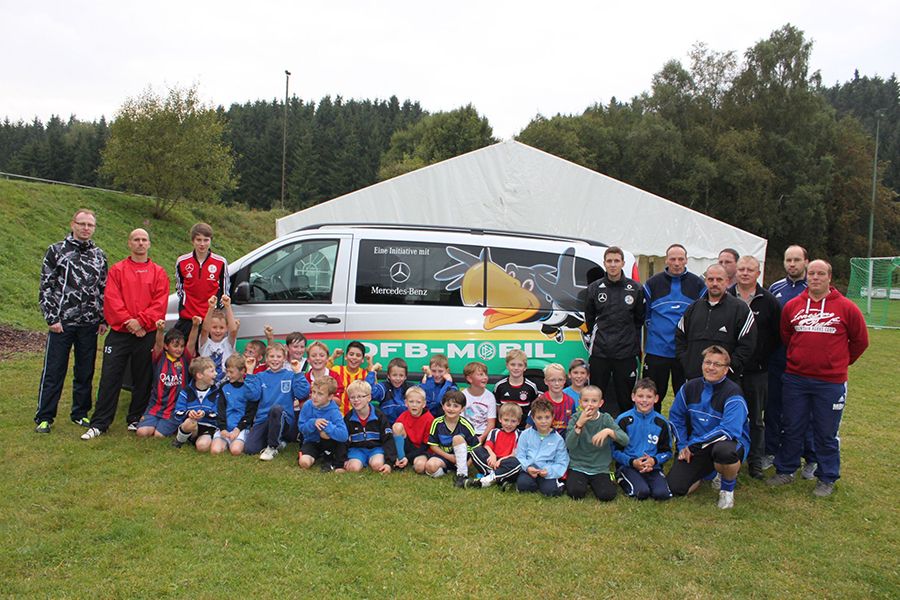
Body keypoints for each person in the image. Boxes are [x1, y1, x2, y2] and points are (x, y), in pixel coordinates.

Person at [766, 260, 869, 498]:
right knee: (792, 426)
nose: (815, 278)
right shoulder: (793, 306)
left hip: (830, 382)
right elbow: (787, 335)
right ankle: (786, 469)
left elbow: (860, 341)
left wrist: (838, 362)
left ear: (829, 277)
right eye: (812, 273)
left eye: (821, 274)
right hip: (796, 379)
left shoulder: (846, 307)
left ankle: (826, 477)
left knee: (825, 431)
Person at [81, 229, 169, 440]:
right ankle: (100, 423)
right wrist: (131, 323)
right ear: (129, 244)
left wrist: (141, 321)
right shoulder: (117, 270)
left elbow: (160, 303)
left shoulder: (158, 272)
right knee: (110, 377)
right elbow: (112, 299)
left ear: (149, 244)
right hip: (121, 333)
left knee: (143, 376)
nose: (140, 243)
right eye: (136, 240)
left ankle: (136, 417)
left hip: (145, 334)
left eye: (144, 240)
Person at [35, 209, 108, 434]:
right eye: (82, 224)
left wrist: (103, 318)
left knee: (85, 371)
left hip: (89, 323)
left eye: (90, 225)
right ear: (73, 224)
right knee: (54, 370)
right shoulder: (56, 251)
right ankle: (45, 417)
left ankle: (80, 413)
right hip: (62, 323)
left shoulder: (99, 255)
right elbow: (46, 286)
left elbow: (103, 288)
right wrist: (52, 318)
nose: (86, 228)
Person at [668, 346, 750, 510]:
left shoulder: (733, 393)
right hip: (698, 445)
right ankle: (709, 471)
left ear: (726, 370)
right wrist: (683, 445)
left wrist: (693, 445)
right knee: (675, 487)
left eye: (717, 364)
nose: (711, 367)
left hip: (728, 443)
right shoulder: (690, 387)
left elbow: (728, 431)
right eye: (708, 362)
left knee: (724, 452)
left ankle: (727, 489)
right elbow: (676, 418)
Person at [727, 255, 782, 479]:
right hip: (729, 371)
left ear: (758, 273)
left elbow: (778, 336)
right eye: (741, 269)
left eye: (750, 270)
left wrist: (761, 358)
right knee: (727, 415)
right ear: (736, 271)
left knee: (756, 419)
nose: (745, 273)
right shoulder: (726, 296)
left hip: (756, 371)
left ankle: (755, 462)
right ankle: (728, 458)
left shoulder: (768, 301)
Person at [765, 245, 814, 475]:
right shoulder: (775, 288)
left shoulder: (813, 288)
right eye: (788, 260)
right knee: (773, 407)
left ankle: (811, 457)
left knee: (804, 411)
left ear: (806, 262)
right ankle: (770, 450)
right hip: (777, 359)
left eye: (797, 260)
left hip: (804, 363)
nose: (792, 264)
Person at [642, 244, 706, 408]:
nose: (677, 263)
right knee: (651, 395)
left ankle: (684, 424)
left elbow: (702, 315)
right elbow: (645, 315)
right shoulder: (653, 283)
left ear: (686, 260)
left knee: (686, 396)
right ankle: (652, 423)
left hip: (685, 352)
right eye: (673, 259)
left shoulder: (698, 284)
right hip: (657, 351)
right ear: (666, 260)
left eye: (680, 259)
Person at [585, 246, 645, 416]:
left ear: (623, 263)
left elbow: (639, 319)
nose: (613, 265)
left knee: (625, 398)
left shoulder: (635, 288)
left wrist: (626, 337)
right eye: (609, 261)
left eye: (616, 261)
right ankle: (593, 428)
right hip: (600, 351)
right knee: (594, 396)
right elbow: (589, 318)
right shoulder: (595, 288)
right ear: (604, 263)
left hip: (626, 353)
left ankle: (625, 430)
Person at [675, 263, 757, 382]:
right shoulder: (693, 308)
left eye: (719, 280)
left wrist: (729, 368)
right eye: (711, 279)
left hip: (726, 381)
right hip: (694, 379)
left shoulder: (740, 309)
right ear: (705, 282)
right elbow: (680, 337)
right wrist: (687, 363)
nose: (715, 283)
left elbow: (747, 344)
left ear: (727, 281)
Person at [240, 344, 310, 460]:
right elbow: (252, 396)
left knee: (276, 409)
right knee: (250, 449)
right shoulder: (260, 376)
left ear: (284, 359)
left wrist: (298, 372)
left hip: (284, 419)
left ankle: (272, 447)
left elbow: (303, 393)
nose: (275, 360)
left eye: (278, 356)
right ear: (266, 359)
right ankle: (278, 442)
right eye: (271, 356)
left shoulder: (290, 375)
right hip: (264, 419)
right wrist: (250, 371)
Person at [136, 318, 200, 439]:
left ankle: (176, 424)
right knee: (142, 432)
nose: (179, 349)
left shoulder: (185, 358)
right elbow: (158, 343)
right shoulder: (159, 357)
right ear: (166, 346)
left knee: (159, 435)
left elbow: (192, 341)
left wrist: (195, 326)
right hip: (156, 405)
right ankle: (154, 421)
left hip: (174, 408)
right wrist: (160, 330)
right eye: (175, 346)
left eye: (181, 346)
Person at [612, 378, 674, 501]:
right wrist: (632, 462)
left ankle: (651, 477)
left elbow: (667, 451)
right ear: (633, 397)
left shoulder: (661, 422)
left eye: (649, 397)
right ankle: (621, 478)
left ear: (656, 399)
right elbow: (615, 450)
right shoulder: (623, 420)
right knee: (641, 492)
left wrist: (654, 461)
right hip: (629, 465)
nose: (644, 400)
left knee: (662, 494)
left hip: (652, 467)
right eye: (640, 396)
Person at [564, 385, 628, 502]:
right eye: (586, 401)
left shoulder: (605, 419)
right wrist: (579, 425)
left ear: (601, 403)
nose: (590, 404)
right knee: (575, 492)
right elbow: (569, 445)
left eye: (594, 401)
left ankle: (610, 477)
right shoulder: (575, 418)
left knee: (606, 495)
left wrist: (609, 431)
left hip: (599, 467)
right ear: (580, 402)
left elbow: (625, 440)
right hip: (578, 465)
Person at [174, 223, 229, 343]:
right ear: (192, 241)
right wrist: (187, 304)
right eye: (198, 240)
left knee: (206, 352)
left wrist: (215, 310)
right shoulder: (182, 261)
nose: (202, 244)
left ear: (211, 241)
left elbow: (225, 292)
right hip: (188, 317)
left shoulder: (220, 262)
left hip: (209, 319)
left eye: (206, 240)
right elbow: (180, 288)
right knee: (184, 350)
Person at [515, 398, 569, 496]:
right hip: (529, 470)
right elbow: (520, 455)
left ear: (553, 417)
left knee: (550, 491)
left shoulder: (558, 439)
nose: (543, 421)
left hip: (547, 472)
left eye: (547, 417)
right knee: (523, 485)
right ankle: (535, 483)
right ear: (533, 418)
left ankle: (559, 484)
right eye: (539, 418)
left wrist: (549, 471)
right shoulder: (525, 434)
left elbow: (562, 462)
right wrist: (527, 467)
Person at [425, 390, 479, 486]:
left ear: (462, 409)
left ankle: (462, 474)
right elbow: (433, 445)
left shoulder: (466, 425)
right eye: (448, 405)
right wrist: (449, 457)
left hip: (462, 459)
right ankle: (448, 470)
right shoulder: (437, 423)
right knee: (430, 466)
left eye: (455, 406)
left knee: (457, 438)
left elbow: (476, 448)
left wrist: (467, 465)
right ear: (443, 406)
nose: (451, 409)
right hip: (445, 457)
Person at [210, 354, 260, 456]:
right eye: (227, 371)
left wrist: (238, 429)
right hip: (225, 427)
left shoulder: (248, 388)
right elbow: (220, 408)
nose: (228, 375)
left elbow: (250, 413)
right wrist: (223, 428)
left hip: (240, 428)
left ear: (242, 371)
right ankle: (224, 441)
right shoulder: (224, 387)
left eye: (231, 372)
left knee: (235, 451)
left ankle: (238, 440)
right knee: (215, 450)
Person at [465, 403, 522, 489]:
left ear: (518, 422)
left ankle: (488, 478)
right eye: (506, 420)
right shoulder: (494, 432)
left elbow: (515, 453)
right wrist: (492, 455)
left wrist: (501, 460)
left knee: (517, 463)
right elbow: (487, 446)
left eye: (513, 421)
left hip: (506, 461)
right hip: (492, 461)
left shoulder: (520, 435)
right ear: (500, 419)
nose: (509, 424)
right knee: (476, 451)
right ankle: (499, 478)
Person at [297, 376, 349, 471]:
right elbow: (302, 428)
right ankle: (313, 455)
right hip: (312, 442)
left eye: (320, 394)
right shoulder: (307, 406)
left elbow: (344, 436)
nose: (314, 397)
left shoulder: (334, 411)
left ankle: (328, 459)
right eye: (314, 392)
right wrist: (313, 423)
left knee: (324, 433)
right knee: (304, 463)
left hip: (330, 444)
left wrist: (327, 426)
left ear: (330, 397)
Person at [343, 380, 395, 473]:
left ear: (369, 398)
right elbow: (343, 440)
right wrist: (339, 463)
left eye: (360, 396)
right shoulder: (348, 418)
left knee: (377, 465)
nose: (356, 400)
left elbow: (388, 439)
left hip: (376, 449)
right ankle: (351, 462)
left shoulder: (379, 416)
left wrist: (389, 463)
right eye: (352, 397)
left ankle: (375, 460)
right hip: (357, 449)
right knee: (353, 468)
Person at [170, 357, 220, 452]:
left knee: (202, 447)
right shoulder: (186, 391)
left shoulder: (217, 392)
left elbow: (217, 414)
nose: (216, 373)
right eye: (212, 371)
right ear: (199, 375)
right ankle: (179, 440)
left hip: (208, 427)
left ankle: (198, 440)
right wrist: (189, 414)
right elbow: (177, 413)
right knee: (190, 422)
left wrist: (204, 414)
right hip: (191, 426)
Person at [391, 386, 435, 474]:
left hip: (422, 450)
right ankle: (400, 460)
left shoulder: (429, 419)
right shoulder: (404, 415)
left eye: (418, 402)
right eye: (411, 402)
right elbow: (395, 437)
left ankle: (411, 461)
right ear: (406, 403)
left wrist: (408, 457)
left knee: (420, 467)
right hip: (408, 445)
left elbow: (425, 446)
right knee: (397, 426)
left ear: (424, 404)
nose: (414, 405)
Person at [198, 295, 239, 385]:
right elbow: (204, 329)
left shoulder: (227, 343)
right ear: (209, 327)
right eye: (214, 327)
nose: (218, 331)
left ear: (226, 328)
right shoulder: (205, 343)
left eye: (221, 328)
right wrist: (211, 308)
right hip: (207, 385)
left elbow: (233, 330)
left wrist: (228, 306)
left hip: (225, 384)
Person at [328, 341, 378, 415]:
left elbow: (373, 390)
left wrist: (370, 365)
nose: (354, 357)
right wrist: (332, 357)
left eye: (358, 355)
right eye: (351, 354)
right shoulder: (337, 370)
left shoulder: (365, 374)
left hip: (357, 417)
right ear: (346, 357)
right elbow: (322, 375)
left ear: (362, 359)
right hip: (337, 416)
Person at [493, 349, 539, 429]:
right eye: (513, 365)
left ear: (525, 367)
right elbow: (498, 408)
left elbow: (534, 408)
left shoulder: (531, 387)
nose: (516, 368)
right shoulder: (500, 386)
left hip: (523, 430)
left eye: (520, 365)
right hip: (505, 429)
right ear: (507, 366)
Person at [527, 363, 577, 436]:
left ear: (565, 380)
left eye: (560, 380)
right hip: (544, 439)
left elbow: (574, 424)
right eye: (553, 380)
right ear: (546, 381)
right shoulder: (540, 401)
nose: (557, 383)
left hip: (564, 440)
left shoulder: (570, 401)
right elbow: (529, 426)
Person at [461, 361, 496, 444]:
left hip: (483, 434)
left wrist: (482, 438)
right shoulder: (463, 395)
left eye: (485, 374)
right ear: (469, 379)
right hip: (466, 433)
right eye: (480, 375)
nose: (485, 377)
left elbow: (491, 423)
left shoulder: (490, 396)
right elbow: (460, 420)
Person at [372, 357, 414, 424]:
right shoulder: (384, 387)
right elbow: (370, 393)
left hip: (407, 425)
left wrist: (428, 376)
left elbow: (425, 395)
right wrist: (372, 371)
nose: (398, 379)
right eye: (394, 375)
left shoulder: (410, 388)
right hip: (387, 425)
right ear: (388, 375)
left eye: (401, 375)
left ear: (405, 376)